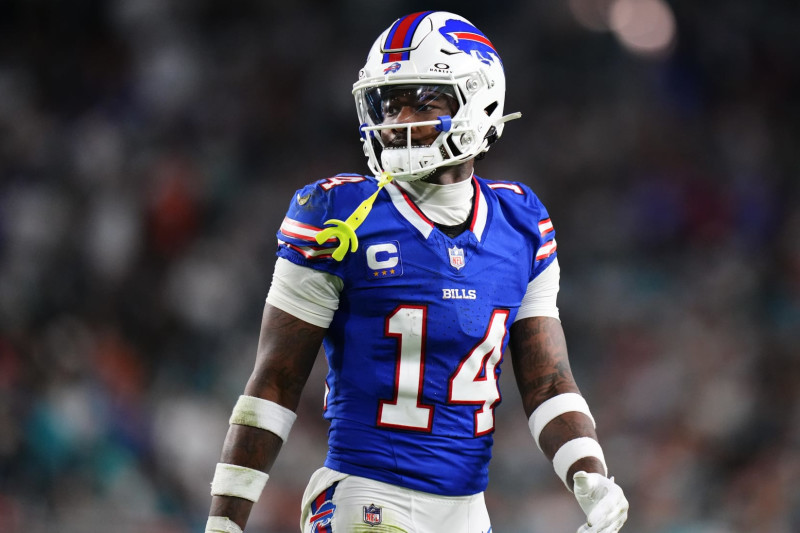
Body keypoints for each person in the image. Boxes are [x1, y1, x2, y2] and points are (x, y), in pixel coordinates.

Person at [206, 11, 629, 533]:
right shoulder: (336, 213)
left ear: (479, 102)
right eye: (391, 102)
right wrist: (225, 521)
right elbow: (274, 381)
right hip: (366, 496)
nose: (399, 119)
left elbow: (546, 381)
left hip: (469, 513)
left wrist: (589, 474)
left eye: (423, 100)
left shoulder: (522, 223)